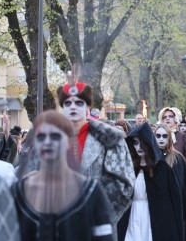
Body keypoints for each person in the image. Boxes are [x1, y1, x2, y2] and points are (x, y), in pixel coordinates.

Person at [13, 110, 115, 241]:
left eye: (55, 136)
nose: (47, 142)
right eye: (41, 137)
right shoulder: (19, 191)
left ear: (69, 141)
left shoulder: (91, 191)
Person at [56, 82, 135, 223]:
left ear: (88, 106)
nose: (73, 107)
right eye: (68, 103)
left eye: (79, 103)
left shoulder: (110, 138)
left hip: (96, 221)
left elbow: (124, 182)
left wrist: (100, 214)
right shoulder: (51, 139)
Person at [119, 122, 184, 241]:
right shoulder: (128, 168)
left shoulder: (162, 169)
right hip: (132, 216)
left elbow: (175, 202)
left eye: (142, 142)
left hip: (155, 218)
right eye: (135, 143)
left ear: (149, 142)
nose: (139, 147)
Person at [157, 107, 186, 241]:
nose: (168, 119)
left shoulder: (184, 137)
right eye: (165, 116)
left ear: (177, 118)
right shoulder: (156, 136)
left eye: (171, 116)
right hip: (161, 188)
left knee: (182, 220)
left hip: (179, 185)